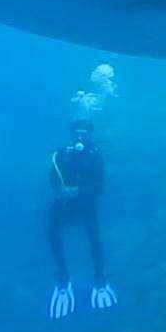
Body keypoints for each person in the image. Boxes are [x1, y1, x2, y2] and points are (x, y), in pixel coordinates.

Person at [46, 118, 117, 319]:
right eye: (77, 133)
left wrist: (79, 190)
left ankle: (100, 280)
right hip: (67, 204)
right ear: (71, 135)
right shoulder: (61, 155)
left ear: (89, 136)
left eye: (84, 133)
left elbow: (100, 186)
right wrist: (61, 191)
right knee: (52, 228)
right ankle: (63, 278)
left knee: (93, 235)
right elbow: (53, 178)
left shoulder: (95, 157)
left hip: (86, 204)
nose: (80, 137)